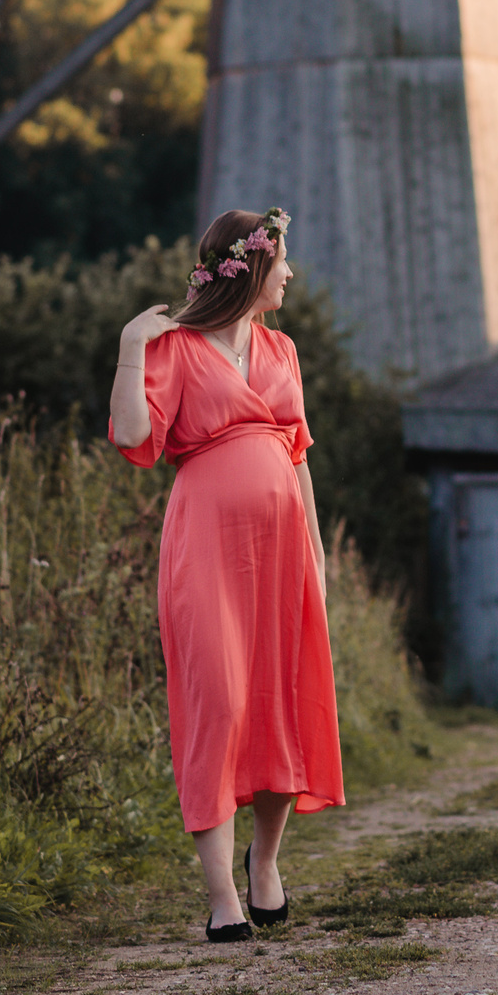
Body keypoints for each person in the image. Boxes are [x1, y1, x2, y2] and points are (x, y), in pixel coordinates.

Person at [108, 206, 342, 941]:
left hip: (281, 549)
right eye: (284, 260)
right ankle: (221, 899)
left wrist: (318, 547)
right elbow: (134, 435)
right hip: (206, 547)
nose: (292, 273)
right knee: (219, 701)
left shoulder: (283, 350)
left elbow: (297, 453)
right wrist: (127, 349)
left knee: (277, 699)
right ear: (249, 267)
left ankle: (264, 864)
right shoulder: (174, 349)